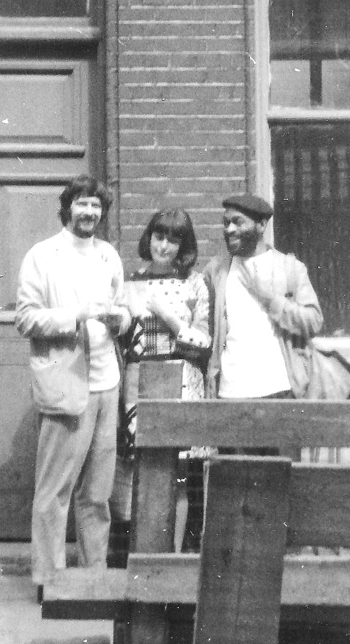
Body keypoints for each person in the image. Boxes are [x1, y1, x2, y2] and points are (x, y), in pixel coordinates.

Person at [15, 174, 131, 596]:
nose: (89, 213)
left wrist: (122, 320)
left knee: (97, 493)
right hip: (66, 385)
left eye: (96, 207)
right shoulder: (43, 256)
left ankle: (93, 578)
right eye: (82, 204)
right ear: (68, 209)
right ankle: (49, 581)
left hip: (107, 383)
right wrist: (77, 314)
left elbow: (121, 310)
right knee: (54, 492)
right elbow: (26, 319)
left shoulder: (108, 256)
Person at [117, 208, 211, 551]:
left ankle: (170, 555)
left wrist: (169, 317)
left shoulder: (195, 283)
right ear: (150, 238)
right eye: (160, 237)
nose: (165, 246)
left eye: (174, 239)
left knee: (180, 476)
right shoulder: (130, 283)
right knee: (141, 470)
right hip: (139, 381)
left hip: (181, 380)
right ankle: (142, 554)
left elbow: (204, 342)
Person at [203, 193, 323, 401]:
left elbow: (313, 322)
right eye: (226, 223)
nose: (229, 229)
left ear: (261, 225)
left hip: (279, 390)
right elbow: (207, 328)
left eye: (238, 222)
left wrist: (270, 299)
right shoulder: (216, 271)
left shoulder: (290, 268)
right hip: (229, 393)